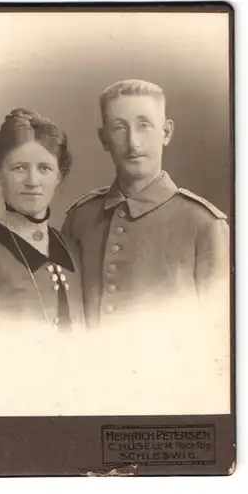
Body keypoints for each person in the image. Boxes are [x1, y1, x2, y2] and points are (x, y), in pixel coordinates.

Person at [62, 80, 230, 414]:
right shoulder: (79, 220)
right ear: (103, 139)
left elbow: (218, 344)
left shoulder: (204, 224)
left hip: (171, 401)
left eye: (145, 125)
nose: (133, 142)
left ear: (166, 132)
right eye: (119, 128)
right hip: (89, 399)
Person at [0, 108, 85, 416]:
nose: (32, 181)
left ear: (59, 176)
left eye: (45, 169)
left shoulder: (72, 250)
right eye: (19, 168)